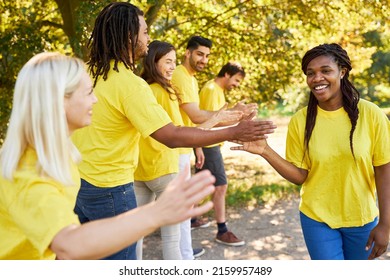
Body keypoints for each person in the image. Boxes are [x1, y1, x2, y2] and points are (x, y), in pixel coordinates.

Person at [71, 2, 276, 260]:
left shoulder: (85, 73)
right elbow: (171, 135)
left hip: (79, 183)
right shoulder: (130, 84)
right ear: (128, 36)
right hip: (111, 191)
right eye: (144, 32)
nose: (148, 38)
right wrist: (234, 131)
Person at [0, 52, 217, 260]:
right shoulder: (26, 171)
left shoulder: (57, 157)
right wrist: (157, 213)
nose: (95, 100)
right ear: (58, 100)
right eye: (87, 92)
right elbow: (68, 244)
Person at [231, 43, 390, 260]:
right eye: (310, 73)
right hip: (316, 218)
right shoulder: (300, 120)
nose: (317, 78)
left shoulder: (371, 114)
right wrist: (265, 150)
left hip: (361, 218)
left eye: (325, 71)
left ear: (342, 72)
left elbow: (383, 170)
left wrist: (385, 224)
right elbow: (300, 176)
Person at [134, 41, 234, 260]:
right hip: (165, 169)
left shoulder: (142, 90)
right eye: (168, 62)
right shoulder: (165, 91)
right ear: (154, 61)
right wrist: (218, 120)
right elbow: (184, 132)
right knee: (171, 239)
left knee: (135, 234)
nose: (172, 67)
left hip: (141, 170)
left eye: (173, 62)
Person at [194, 62, 248, 246]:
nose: (237, 84)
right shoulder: (211, 89)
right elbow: (207, 122)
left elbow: (218, 119)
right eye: (236, 80)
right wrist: (199, 146)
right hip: (209, 145)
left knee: (199, 186)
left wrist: (238, 115)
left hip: (207, 144)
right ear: (227, 74)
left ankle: (189, 219)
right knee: (221, 186)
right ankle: (222, 230)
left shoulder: (216, 90)